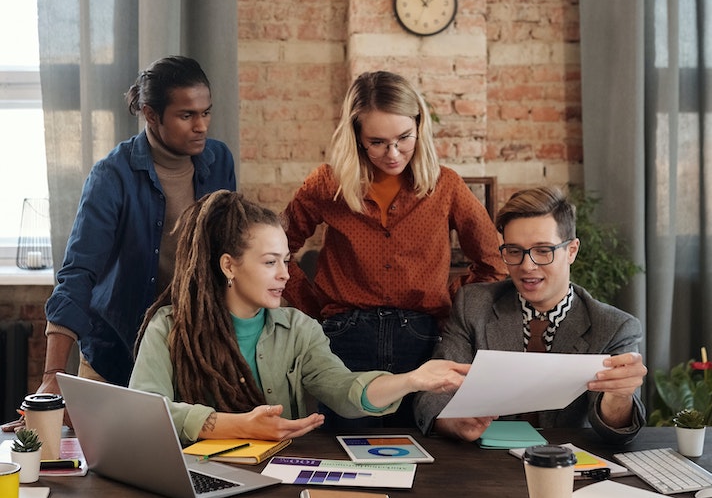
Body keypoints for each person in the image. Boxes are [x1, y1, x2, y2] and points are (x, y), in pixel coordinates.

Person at [129, 190, 468, 443]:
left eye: (286, 260)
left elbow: (345, 390)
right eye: (269, 262)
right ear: (229, 265)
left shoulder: (299, 329)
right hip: (198, 479)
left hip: (279, 483)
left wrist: (412, 380)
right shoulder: (170, 327)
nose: (285, 275)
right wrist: (236, 426)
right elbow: (144, 412)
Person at [280, 70, 506, 428]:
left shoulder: (446, 186)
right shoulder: (327, 185)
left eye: (404, 138)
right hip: (343, 340)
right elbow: (278, 251)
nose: (393, 153)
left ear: (420, 125)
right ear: (356, 136)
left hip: (421, 340)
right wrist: (315, 307)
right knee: (344, 451)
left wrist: (446, 300)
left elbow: (494, 264)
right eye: (377, 142)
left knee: (422, 451)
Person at [40, 56, 236, 393]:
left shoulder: (219, 161)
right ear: (150, 114)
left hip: (194, 358)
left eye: (206, 112)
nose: (201, 126)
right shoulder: (112, 175)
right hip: (116, 357)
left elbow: (230, 252)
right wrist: (52, 375)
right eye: (186, 115)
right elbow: (78, 274)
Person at [413, 186, 648, 444]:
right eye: (514, 251)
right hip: (484, 465)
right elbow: (431, 394)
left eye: (543, 251)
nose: (527, 266)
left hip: (567, 467)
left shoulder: (614, 326)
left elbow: (615, 431)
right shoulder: (474, 305)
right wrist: (453, 422)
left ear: (571, 251)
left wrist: (620, 395)